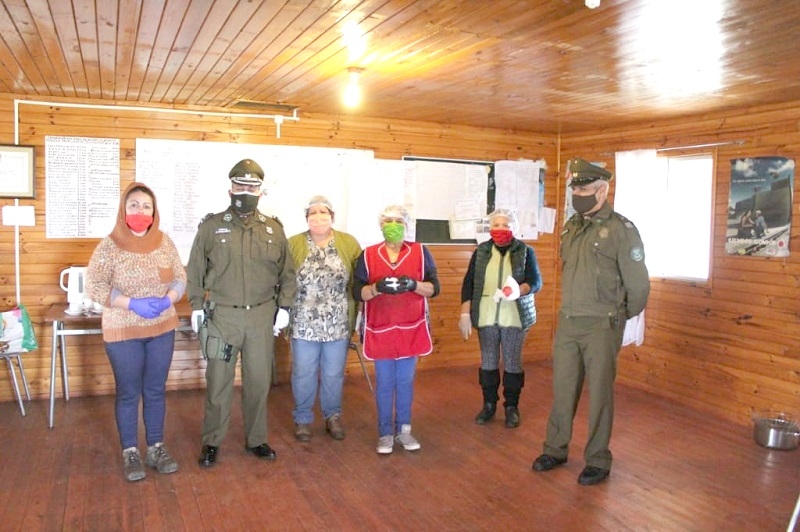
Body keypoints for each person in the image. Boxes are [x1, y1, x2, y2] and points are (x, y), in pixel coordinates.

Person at [532, 157, 650, 486]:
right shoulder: (572, 227)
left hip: (602, 324)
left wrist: (619, 315)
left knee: (599, 394)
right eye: (575, 189)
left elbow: (639, 285)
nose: (577, 194)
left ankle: (598, 458)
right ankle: (555, 449)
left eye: (583, 189)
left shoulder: (621, 230)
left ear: (602, 190)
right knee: (562, 389)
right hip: (569, 321)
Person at [186, 158, 297, 468]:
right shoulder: (211, 227)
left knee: (259, 382)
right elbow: (194, 269)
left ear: (261, 191)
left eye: (252, 186)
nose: (245, 191)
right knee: (218, 382)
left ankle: (257, 439)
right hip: (222, 318)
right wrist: (196, 306)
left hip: (262, 318)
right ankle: (211, 441)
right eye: (240, 185)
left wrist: (284, 307)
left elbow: (287, 273)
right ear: (230, 188)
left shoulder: (274, 229)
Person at [86, 182, 187, 482]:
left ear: (154, 211)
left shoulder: (165, 242)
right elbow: (94, 285)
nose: (140, 211)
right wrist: (131, 303)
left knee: (155, 390)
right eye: (134, 205)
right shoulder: (109, 245)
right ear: (123, 209)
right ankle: (130, 451)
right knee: (129, 393)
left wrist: (168, 299)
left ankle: (156, 447)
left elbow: (181, 277)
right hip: (123, 330)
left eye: (146, 206)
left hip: (161, 327)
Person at [353, 205, 440, 454]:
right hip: (380, 328)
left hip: (411, 327)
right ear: (381, 225)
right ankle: (384, 433)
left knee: (405, 381)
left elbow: (435, 288)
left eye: (398, 220)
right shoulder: (368, 255)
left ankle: (404, 431)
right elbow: (357, 290)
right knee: (384, 382)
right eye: (388, 220)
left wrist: (413, 284)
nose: (393, 224)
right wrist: (377, 288)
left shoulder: (421, 252)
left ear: (406, 224)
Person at [459, 209, 542, 429]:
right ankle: (489, 405)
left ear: (513, 227)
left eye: (506, 225)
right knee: (488, 362)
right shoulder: (482, 251)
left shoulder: (525, 251)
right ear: (490, 227)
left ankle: (511, 407)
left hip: (514, 316)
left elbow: (536, 282)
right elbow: (469, 283)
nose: (501, 229)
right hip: (486, 314)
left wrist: (519, 290)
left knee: (513, 363)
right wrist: (465, 313)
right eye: (497, 224)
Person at [287, 196, 362, 442]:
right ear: (306, 217)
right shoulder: (294, 243)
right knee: (303, 372)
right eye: (313, 213)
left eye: (323, 212)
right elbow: (284, 279)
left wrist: (360, 315)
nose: (318, 217)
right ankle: (302, 419)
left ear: (332, 216)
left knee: (333, 373)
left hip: (338, 321)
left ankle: (332, 416)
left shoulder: (348, 242)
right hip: (303, 321)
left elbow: (359, 279)